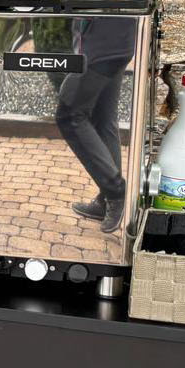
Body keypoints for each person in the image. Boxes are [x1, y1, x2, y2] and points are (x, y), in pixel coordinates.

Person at [55, 16, 131, 234]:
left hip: (101, 46)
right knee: (103, 117)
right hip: (119, 41)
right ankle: (107, 199)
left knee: (69, 115)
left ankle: (116, 191)